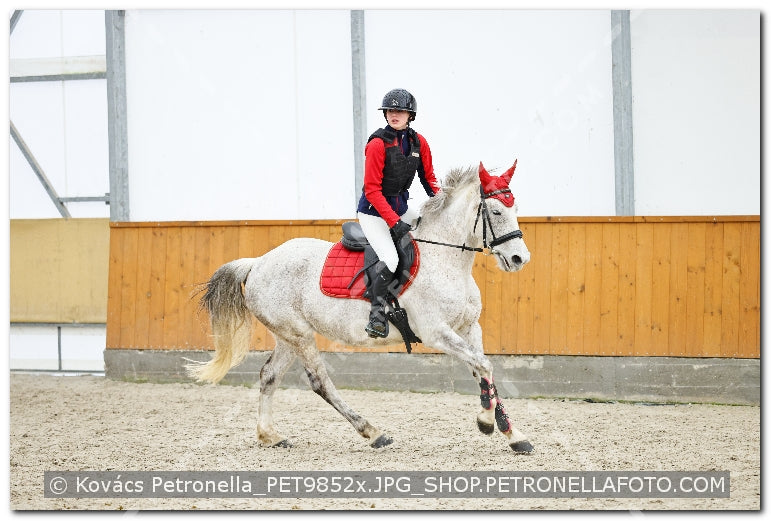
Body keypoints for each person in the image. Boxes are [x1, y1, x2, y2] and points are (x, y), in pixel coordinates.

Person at [356, 88, 440, 338]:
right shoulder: (377, 144)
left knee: (429, 238)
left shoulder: (419, 142)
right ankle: (376, 316)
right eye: (390, 110)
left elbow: (429, 179)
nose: (394, 114)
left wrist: (442, 203)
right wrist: (394, 222)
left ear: (410, 115)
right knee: (391, 259)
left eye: (400, 111)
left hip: (400, 208)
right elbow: (372, 190)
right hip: (373, 213)